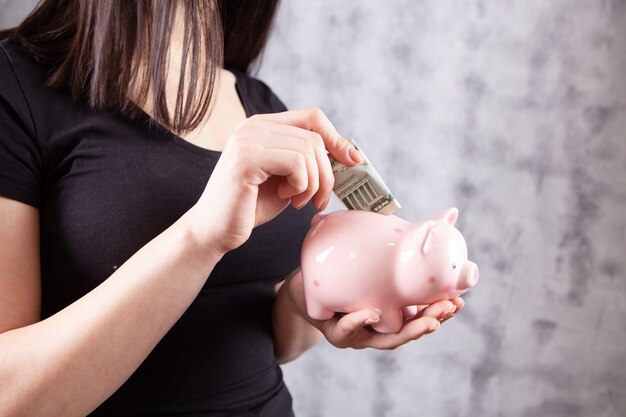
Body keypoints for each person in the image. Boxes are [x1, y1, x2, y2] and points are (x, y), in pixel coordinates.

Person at [0, 1, 465, 415]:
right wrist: (201, 236)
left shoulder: (259, 102)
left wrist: (311, 304)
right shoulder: (14, 87)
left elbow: (268, 338)